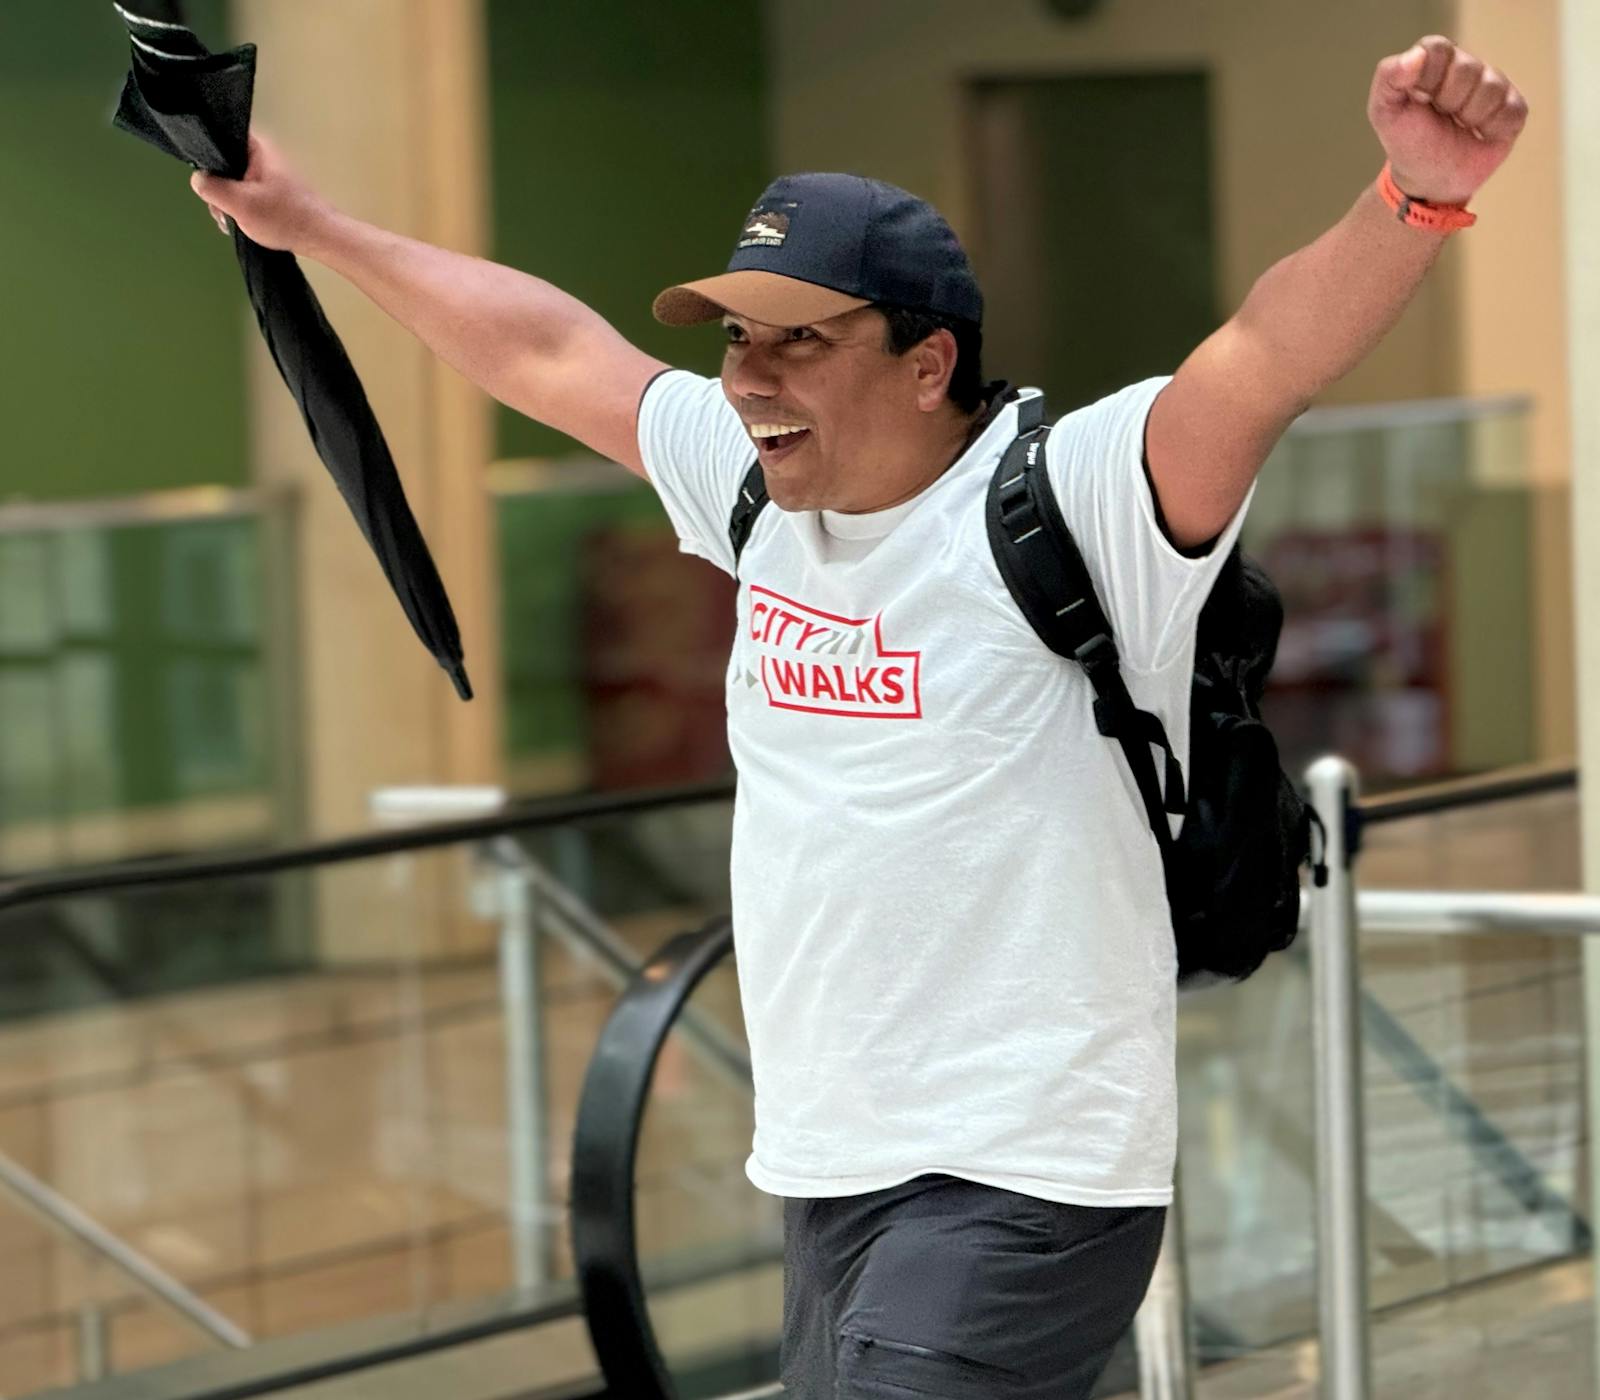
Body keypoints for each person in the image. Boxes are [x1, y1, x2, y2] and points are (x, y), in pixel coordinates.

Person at [193, 34, 1526, 1399]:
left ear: (927, 362)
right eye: (736, 339)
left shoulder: (1075, 500)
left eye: (801, 342)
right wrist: (310, 224)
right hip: (829, 1164)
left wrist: (1413, 196)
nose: (748, 379)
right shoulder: (758, 496)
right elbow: (545, 348)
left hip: (1026, 1176)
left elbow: (1263, 356)